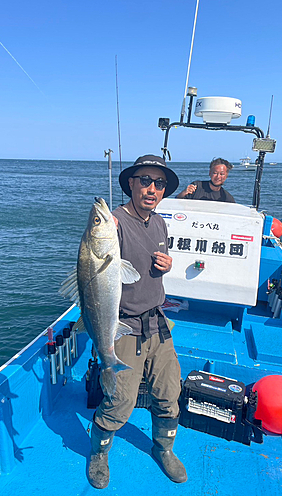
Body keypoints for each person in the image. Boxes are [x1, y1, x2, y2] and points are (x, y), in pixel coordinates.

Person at [88, 155, 187, 489]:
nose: (152, 188)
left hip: (157, 321)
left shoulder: (159, 223)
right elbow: (99, 240)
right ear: (131, 183)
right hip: (125, 325)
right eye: (145, 180)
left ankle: (164, 449)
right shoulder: (114, 223)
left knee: (170, 392)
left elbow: (153, 262)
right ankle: (99, 452)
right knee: (119, 402)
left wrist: (167, 264)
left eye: (159, 184)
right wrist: (104, 225)